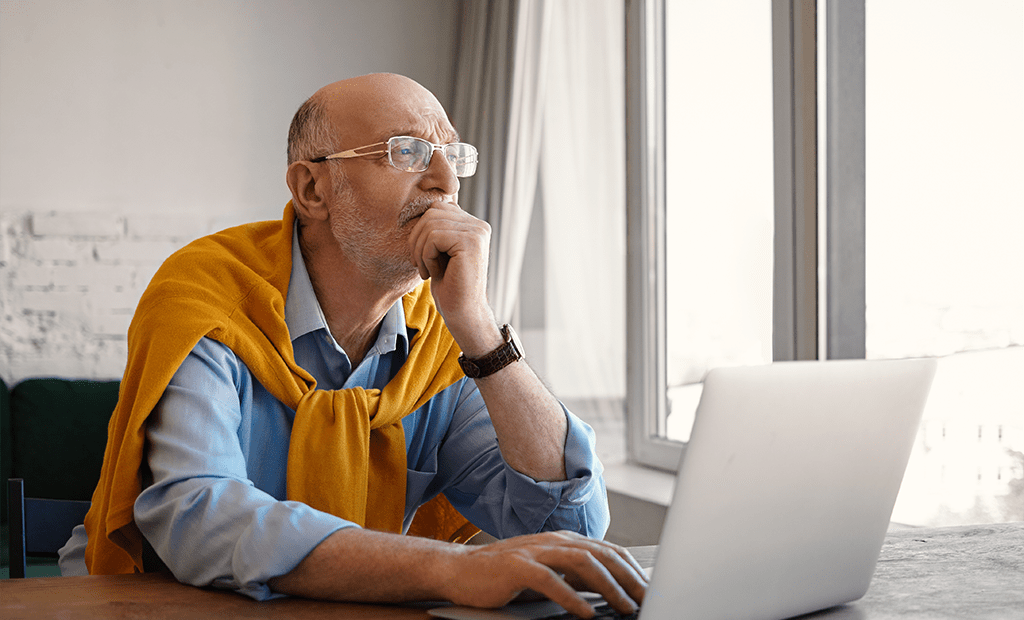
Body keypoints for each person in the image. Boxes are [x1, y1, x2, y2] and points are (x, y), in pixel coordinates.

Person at [58, 73, 646, 618]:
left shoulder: (443, 337)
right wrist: (452, 569)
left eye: (452, 155)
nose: (445, 181)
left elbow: (568, 523)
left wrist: (481, 329)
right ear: (312, 187)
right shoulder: (205, 297)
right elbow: (200, 516)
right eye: (407, 151)